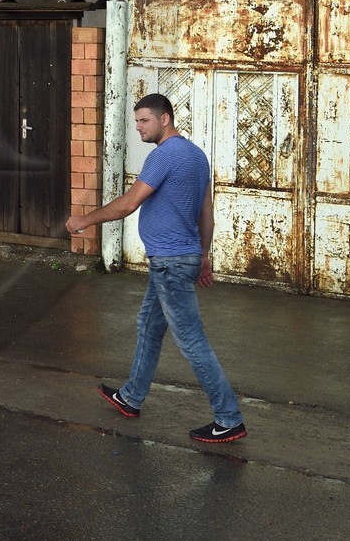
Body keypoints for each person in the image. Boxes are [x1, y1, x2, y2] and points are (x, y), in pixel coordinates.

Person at [65, 93, 246, 443]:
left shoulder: (164, 155)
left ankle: (229, 418)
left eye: (144, 121)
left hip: (170, 263)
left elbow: (129, 204)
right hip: (180, 258)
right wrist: (203, 256)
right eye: (136, 122)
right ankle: (131, 397)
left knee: (191, 340)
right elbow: (206, 214)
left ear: (165, 119)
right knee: (148, 325)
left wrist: (84, 220)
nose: (138, 128)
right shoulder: (196, 156)